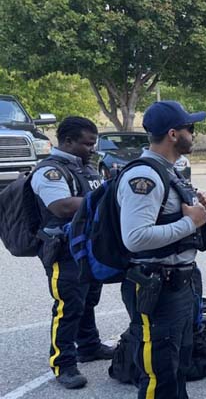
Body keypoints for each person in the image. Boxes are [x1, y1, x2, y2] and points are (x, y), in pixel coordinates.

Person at [118, 101, 206, 398]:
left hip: (179, 285)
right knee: (159, 373)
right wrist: (190, 223)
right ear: (173, 134)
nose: (194, 134)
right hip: (156, 288)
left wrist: (195, 210)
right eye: (190, 128)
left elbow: (167, 217)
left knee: (178, 367)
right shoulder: (143, 177)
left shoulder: (168, 171)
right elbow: (134, 237)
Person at [31, 116, 113, 389]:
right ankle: (63, 363)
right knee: (68, 307)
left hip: (87, 249)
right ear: (67, 141)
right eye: (86, 143)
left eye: (93, 143)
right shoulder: (50, 171)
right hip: (62, 251)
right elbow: (62, 206)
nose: (92, 148)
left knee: (88, 299)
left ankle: (88, 345)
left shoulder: (86, 168)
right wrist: (107, 199)